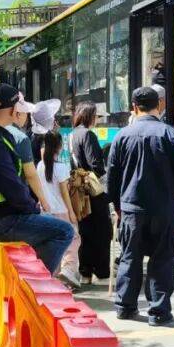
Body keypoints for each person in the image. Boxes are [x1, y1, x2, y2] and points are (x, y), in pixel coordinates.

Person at [106, 86, 174, 326]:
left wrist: (116, 205)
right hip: (163, 210)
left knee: (129, 257)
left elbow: (112, 177)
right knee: (162, 259)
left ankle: (125, 307)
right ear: (159, 105)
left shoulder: (122, 136)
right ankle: (158, 312)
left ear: (134, 107)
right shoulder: (170, 135)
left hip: (130, 210)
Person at [0, 84, 73, 275]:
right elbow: (15, 191)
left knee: (47, 227)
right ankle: (35, 283)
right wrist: (34, 210)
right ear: (13, 111)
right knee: (64, 231)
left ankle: (28, 278)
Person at [70, 102, 112, 284]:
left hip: (80, 191)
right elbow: (95, 164)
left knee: (86, 231)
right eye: (96, 116)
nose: (97, 119)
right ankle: (101, 273)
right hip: (94, 191)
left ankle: (85, 272)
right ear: (89, 116)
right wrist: (107, 184)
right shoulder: (88, 135)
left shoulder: (73, 134)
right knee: (103, 231)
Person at [36, 129, 81, 289]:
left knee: (52, 244)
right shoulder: (61, 167)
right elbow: (64, 193)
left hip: (45, 211)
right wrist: (71, 212)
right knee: (73, 240)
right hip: (61, 210)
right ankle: (68, 271)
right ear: (59, 146)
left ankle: (53, 279)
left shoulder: (40, 166)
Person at [8, 98, 51, 213]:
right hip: (19, 193)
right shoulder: (21, 137)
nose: (27, 117)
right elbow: (30, 174)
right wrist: (43, 200)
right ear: (17, 114)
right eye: (25, 113)